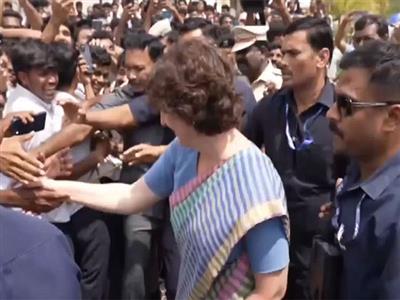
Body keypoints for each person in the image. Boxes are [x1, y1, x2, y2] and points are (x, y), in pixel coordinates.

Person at [40, 37, 290, 300]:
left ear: (192, 112)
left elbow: (272, 291)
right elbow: (131, 196)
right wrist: (56, 188)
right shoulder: (185, 150)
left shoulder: (255, 183)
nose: (162, 119)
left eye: (167, 111)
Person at [246, 17, 337, 299]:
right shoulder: (267, 110)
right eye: (281, 53)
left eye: (293, 53)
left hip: (324, 252)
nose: (281, 61)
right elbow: (238, 155)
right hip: (272, 249)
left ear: (323, 58)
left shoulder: (344, 112)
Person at [326, 40, 400, 298]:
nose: (331, 115)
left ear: (392, 118)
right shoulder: (357, 171)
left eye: (346, 105)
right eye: (334, 101)